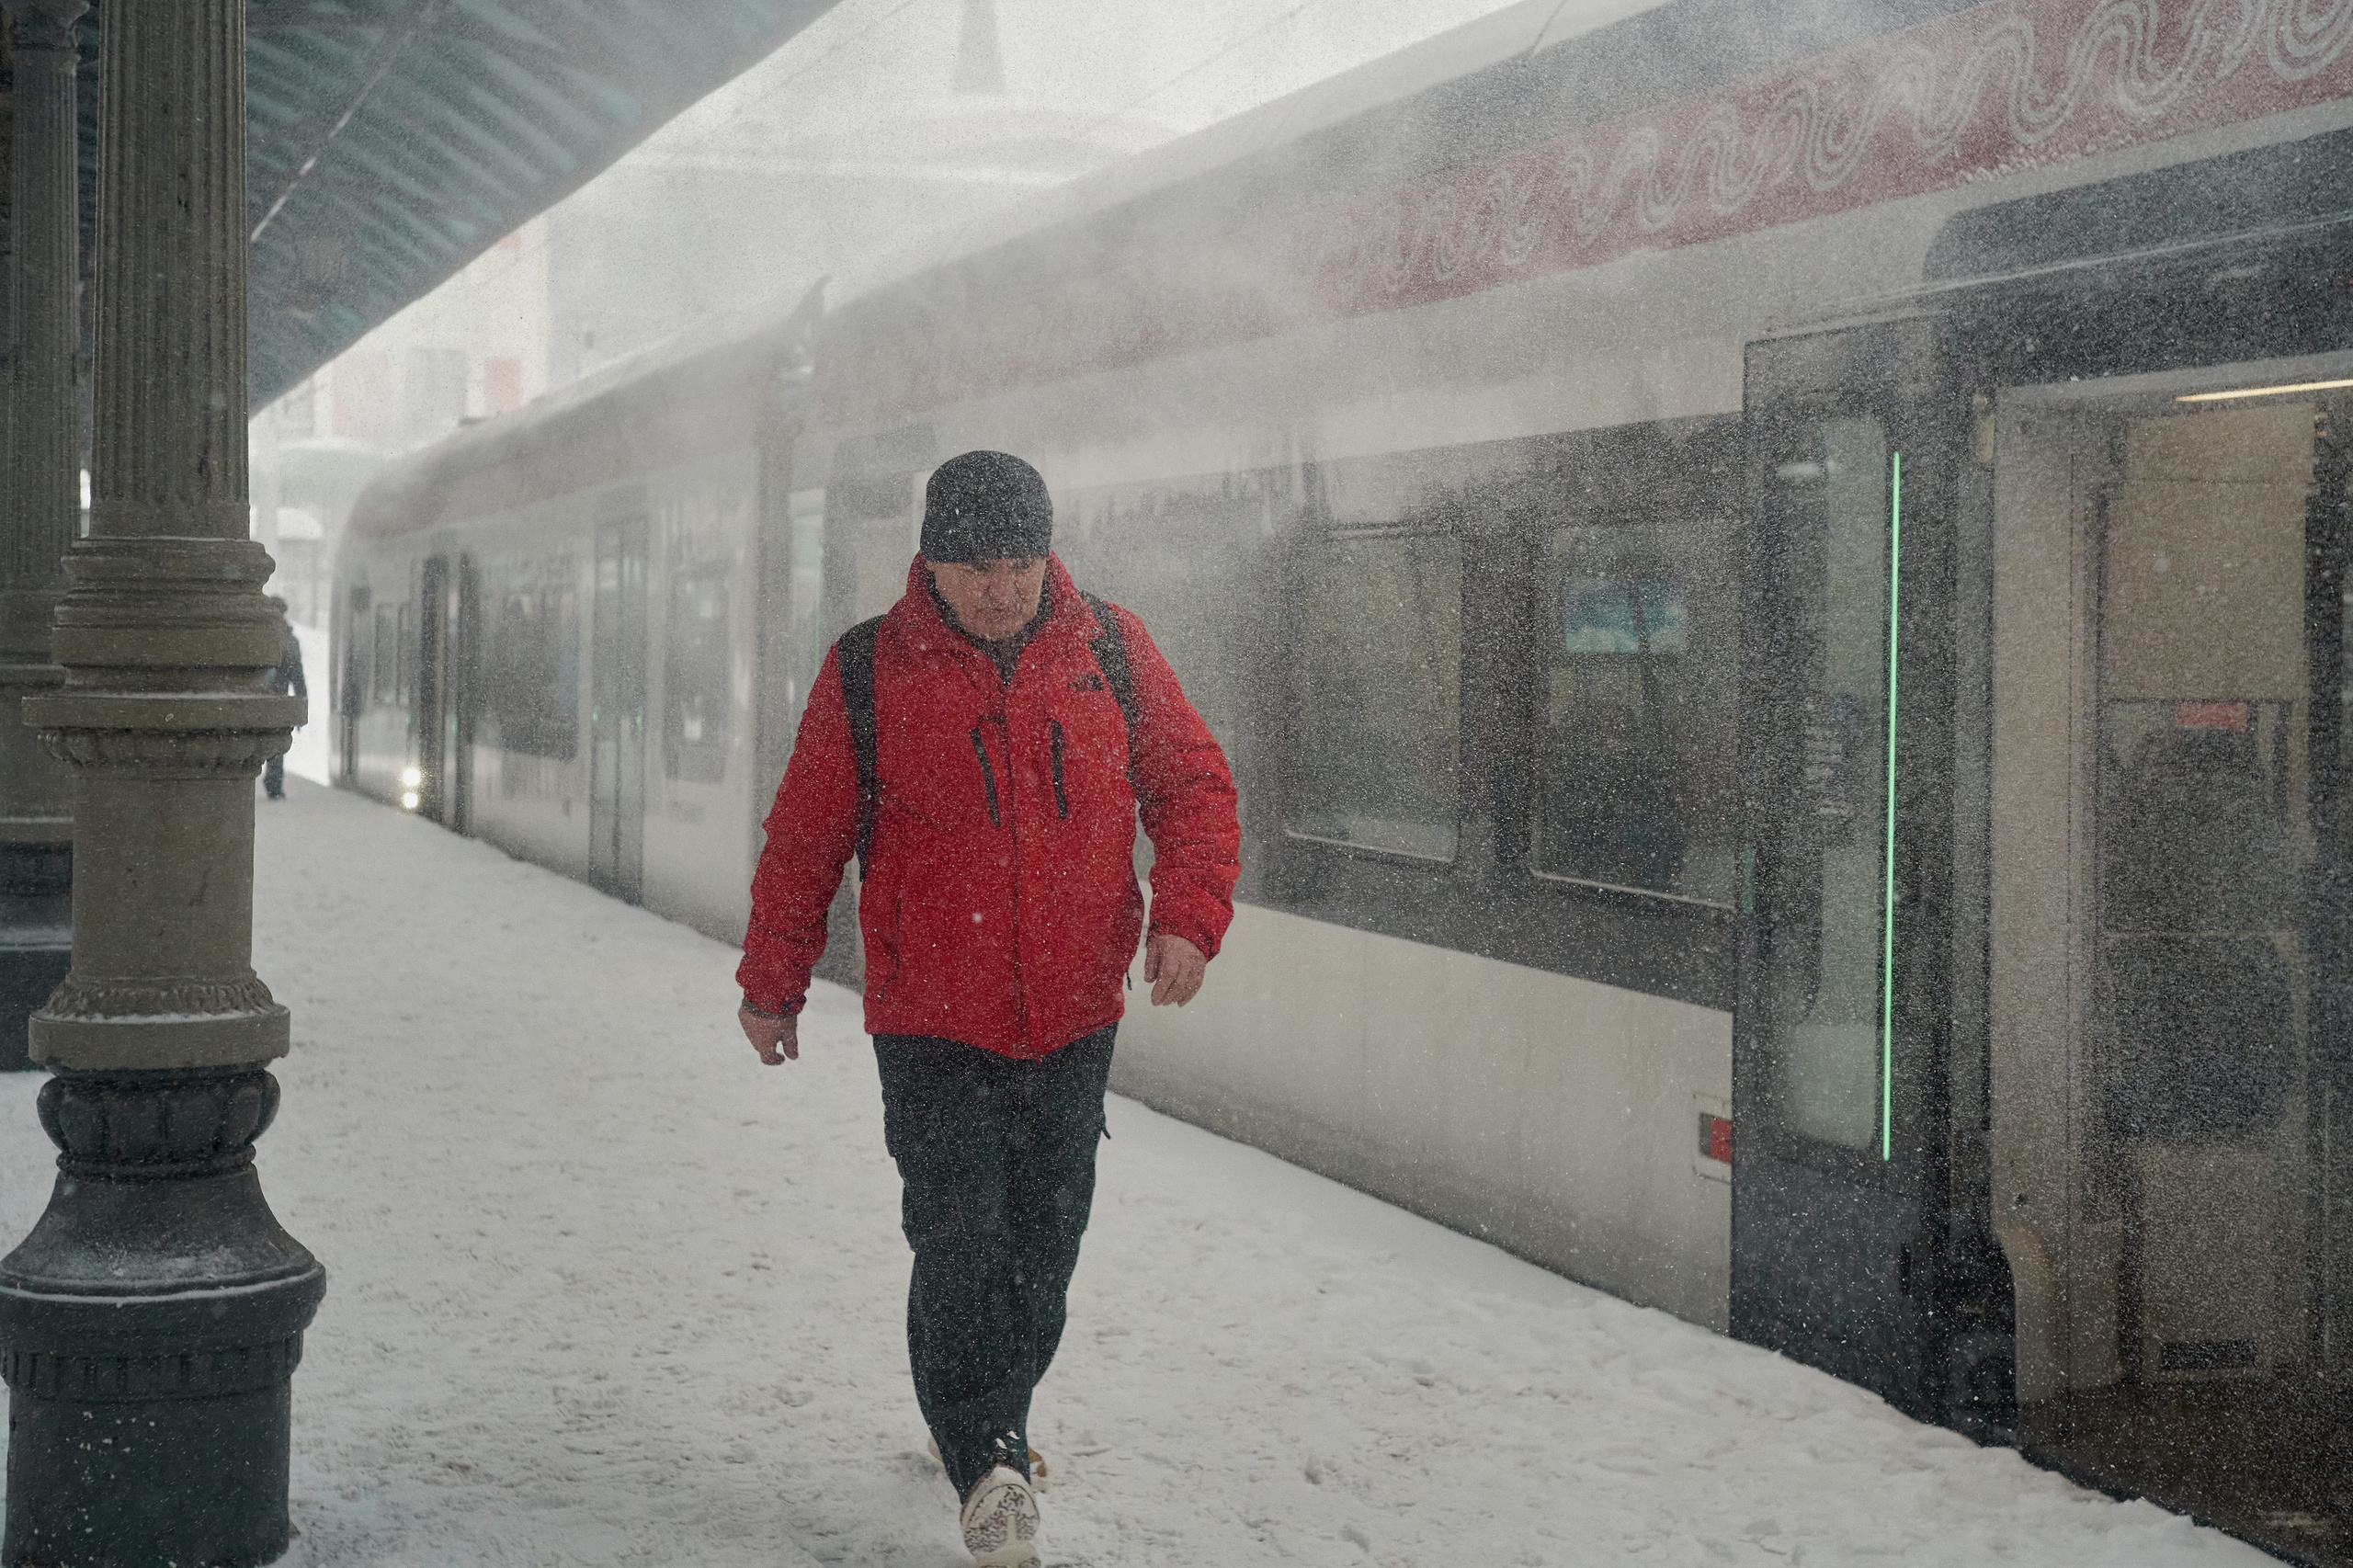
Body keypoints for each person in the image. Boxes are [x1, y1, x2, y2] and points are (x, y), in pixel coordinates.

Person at [736, 450, 1239, 1568]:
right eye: (977, 566)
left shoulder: (1108, 647)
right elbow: (806, 836)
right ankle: (991, 1458)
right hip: (931, 1017)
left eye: (1021, 562)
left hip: (1072, 1014)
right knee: (958, 1231)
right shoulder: (868, 670)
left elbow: (1194, 785)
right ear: (932, 561)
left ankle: (982, 1414)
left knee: (1044, 1241)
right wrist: (773, 978)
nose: (1004, 587)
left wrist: (1190, 915)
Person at [262, 597, 307, 801]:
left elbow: (297, 676)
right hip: (276, 699)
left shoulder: (258, 634)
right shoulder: (288, 639)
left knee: (268, 742)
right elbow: (298, 676)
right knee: (275, 743)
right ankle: (273, 784)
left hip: (263, 698)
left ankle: (272, 782)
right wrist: (300, 702)